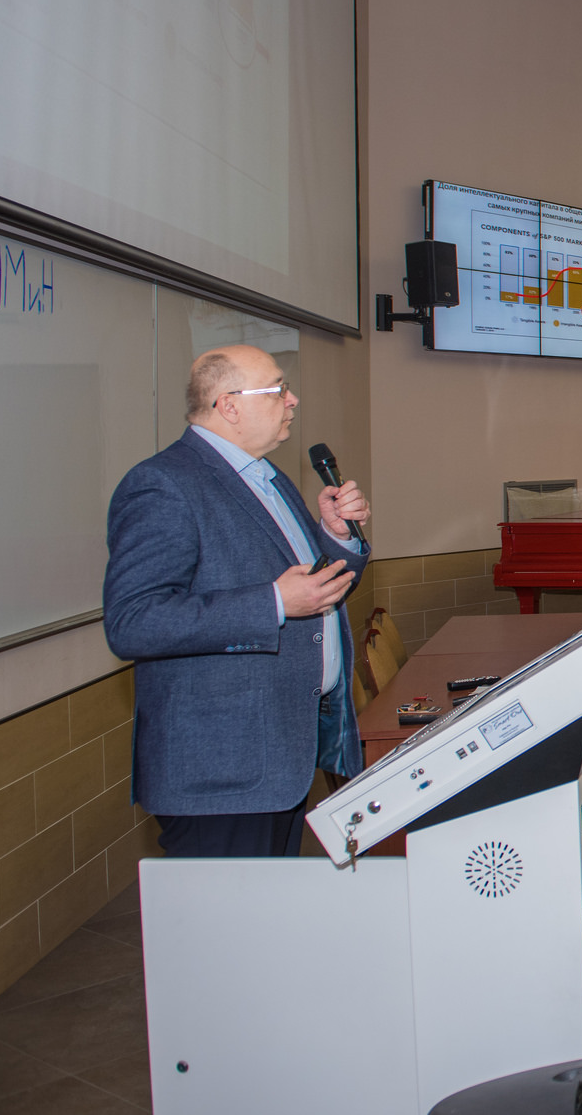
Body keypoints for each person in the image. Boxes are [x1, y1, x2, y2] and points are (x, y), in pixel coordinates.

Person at [103, 345, 371, 857]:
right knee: (225, 911)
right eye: (278, 389)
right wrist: (273, 603)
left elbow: (311, 591)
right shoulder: (163, 484)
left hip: (279, 756)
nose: (293, 399)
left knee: (267, 906)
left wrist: (336, 538)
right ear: (228, 405)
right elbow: (133, 621)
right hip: (221, 769)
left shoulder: (268, 478)